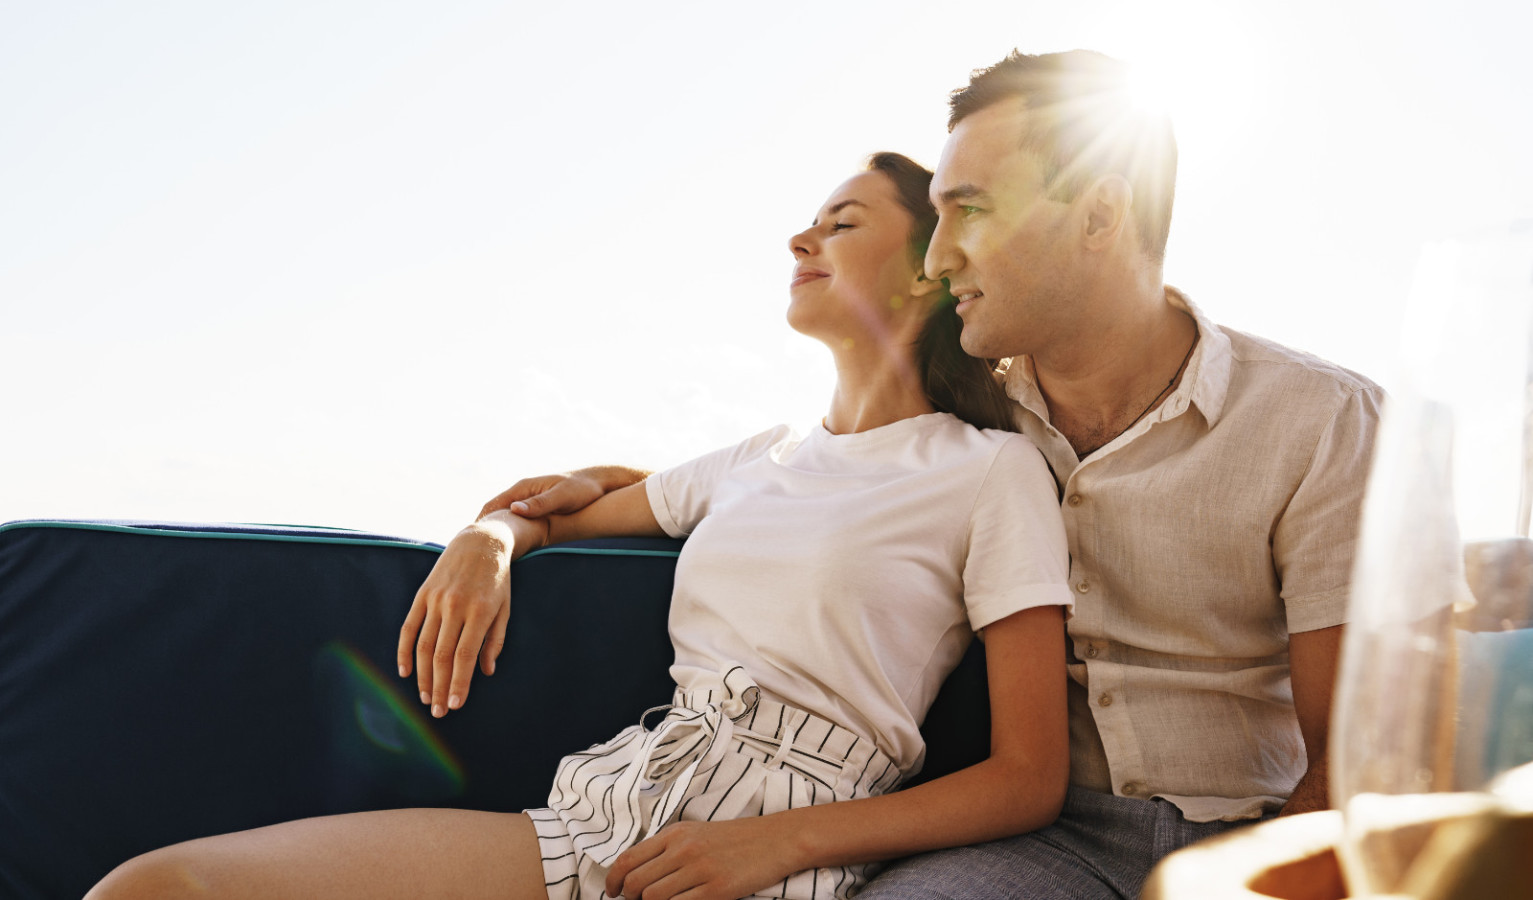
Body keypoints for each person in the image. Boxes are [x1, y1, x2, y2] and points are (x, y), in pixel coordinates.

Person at [495, 51, 1387, 899]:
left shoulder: (1318, 421)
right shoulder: (970, 428)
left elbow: (1353, 761)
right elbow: (814, 480)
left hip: (1258, 829)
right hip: (1051, 842)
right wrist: (534, 513)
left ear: (1099, 216)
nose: (937, 255)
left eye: (971, 210)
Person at [85, 153, 1075, 900]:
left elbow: (1028, 778)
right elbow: (550, 515)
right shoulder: (753, 461)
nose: (798, 240)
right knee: (155, 888)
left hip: (781, 856)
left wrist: (782, 843)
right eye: (808, 221)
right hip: (604, 816)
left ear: (925, 272)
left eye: (841, 222)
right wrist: (484, 544)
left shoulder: (990, 472)